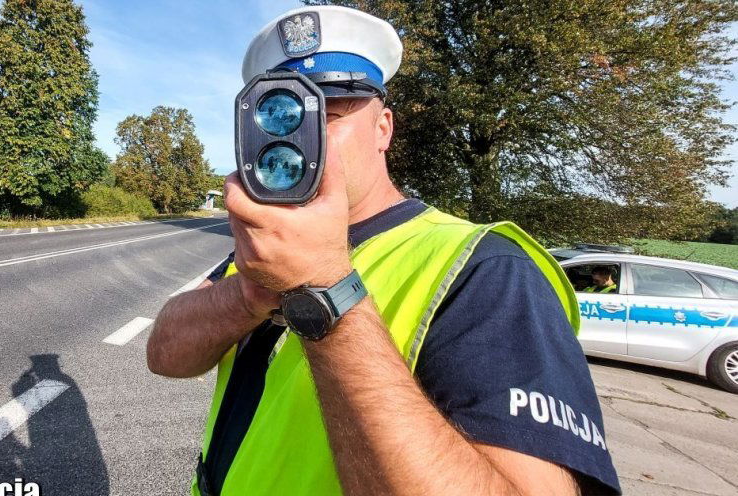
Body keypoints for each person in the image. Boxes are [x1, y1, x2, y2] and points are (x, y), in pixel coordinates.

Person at [147, 6, 621, 496]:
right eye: (279, 117)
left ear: (383, 129)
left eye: (326, 116)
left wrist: (326, 292)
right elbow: (165, 355)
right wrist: (250, 295)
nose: (297, 139)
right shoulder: (268, 244)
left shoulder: (488, 269)